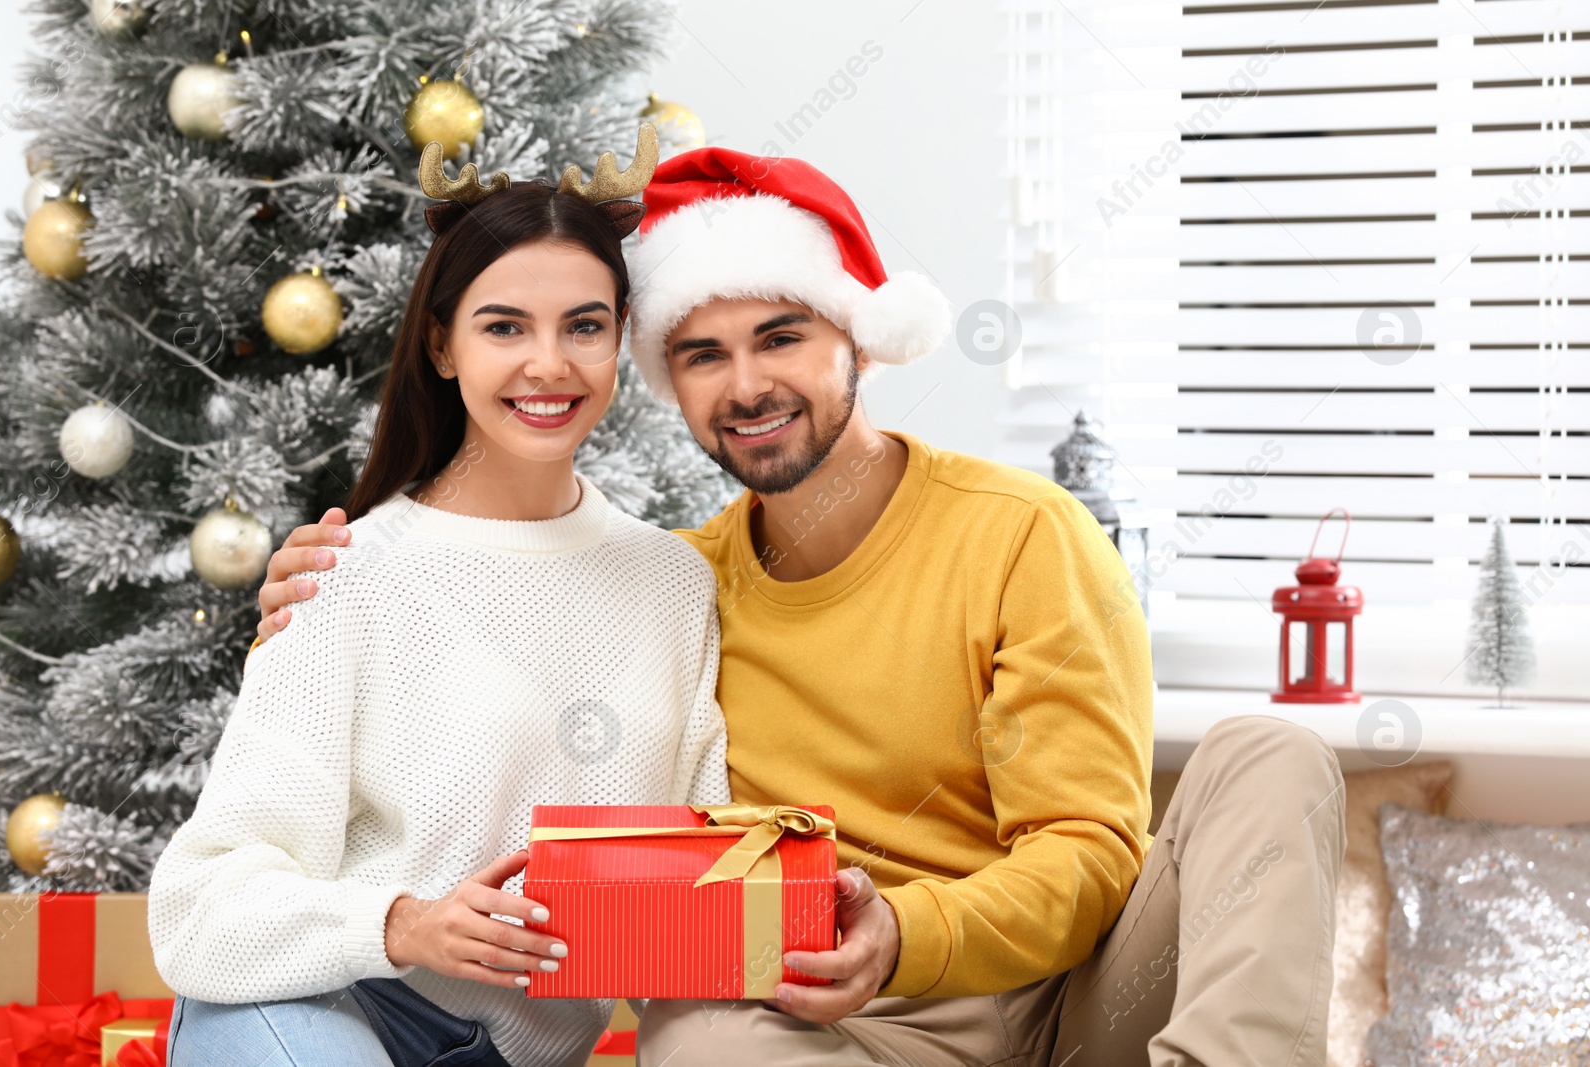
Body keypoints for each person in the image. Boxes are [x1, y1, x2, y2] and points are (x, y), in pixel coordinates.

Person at [256, 147, 1347, 1066]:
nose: (745, 386)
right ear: (668, 380)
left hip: (1072, 1000)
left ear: (856, 340)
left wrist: (906, 931)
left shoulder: (1021, 532)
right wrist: (325, 593)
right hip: (826, 1028)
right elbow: (480, 653)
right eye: (702, 354)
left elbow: (1087, 847)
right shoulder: (666, 586)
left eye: (781, 337)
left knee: (1269, 751)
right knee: (698, 1039)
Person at [148, 129, 729, 1067]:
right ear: (442, 345)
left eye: (584, 326)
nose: (549, 364)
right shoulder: (346, 573)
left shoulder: (670, 583)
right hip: (317, 1007)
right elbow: (199, 901)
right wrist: (403, 923)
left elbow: (696, 887)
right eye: (504, 326)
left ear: (621, 337)